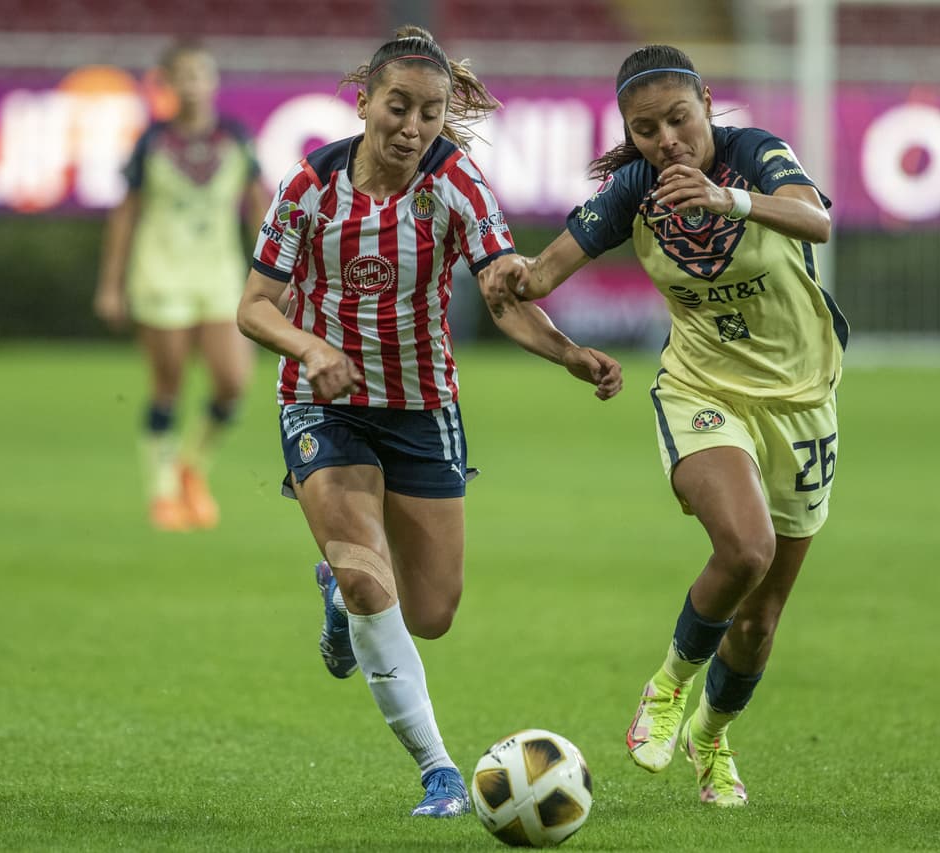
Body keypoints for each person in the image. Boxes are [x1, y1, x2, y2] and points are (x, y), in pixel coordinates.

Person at [236, 26, 623, 818]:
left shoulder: (457, 183)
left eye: (430, 112)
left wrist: (569, 353)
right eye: (398, 107)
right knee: (367, 577)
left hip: (421, 408)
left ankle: (340, 601)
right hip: (323, 404)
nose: (412, 127)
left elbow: (503, 297)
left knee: (431, 613)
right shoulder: (309, 185)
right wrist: (311, 347)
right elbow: (253, 307)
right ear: (364, 102)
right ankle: (440, 772)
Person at [482, 44, 847, 807]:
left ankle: (710, 736)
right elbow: (540, 276)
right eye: (645, 130)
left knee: (760, 620)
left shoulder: (754, 154)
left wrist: (728, 200)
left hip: (802, 401)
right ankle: (668, 687)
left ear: (706, 103)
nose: (666, 140)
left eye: (678, 119)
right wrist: (516, 273)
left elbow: (815, 217)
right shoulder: (634, 191)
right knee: (746, 547)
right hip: (701, 389)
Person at [95, 40, 272, 531]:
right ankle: (162, 493)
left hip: (219, 276)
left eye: (201, 74)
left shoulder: (235, 138)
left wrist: (274, 271)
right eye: (184, 76)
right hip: (161, 274)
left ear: (213, 82)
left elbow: (259, 203)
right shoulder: (151, 142)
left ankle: (191, 465)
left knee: (233, 382)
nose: (193, 85)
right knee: (167, 383)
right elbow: (125, 214)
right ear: (168, 84)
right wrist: (111, 284)